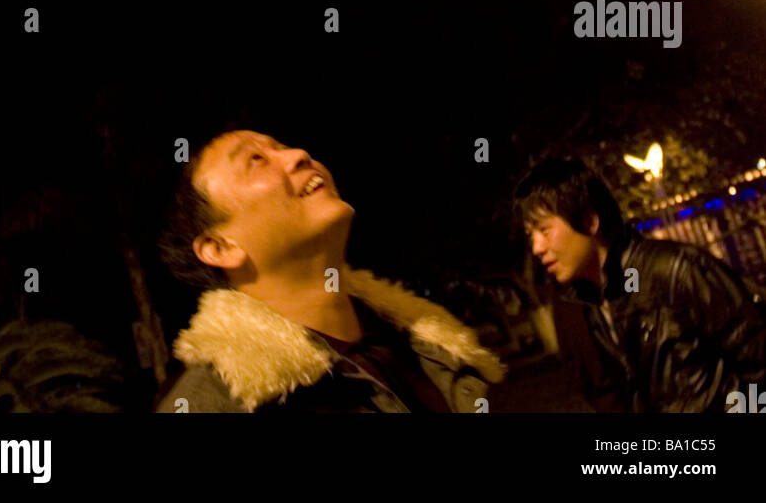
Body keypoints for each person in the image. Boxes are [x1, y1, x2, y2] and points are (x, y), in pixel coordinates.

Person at [153, 126, 504, 412]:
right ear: (220, 247)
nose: (298, 155)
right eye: (256, 159)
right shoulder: (214, 403)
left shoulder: (429, 344)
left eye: (283, 145)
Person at [513, 156, 766, 413]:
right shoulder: (587, 300)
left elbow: (757, 362)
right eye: (530, 236)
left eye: (544, 230)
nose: (537, 248)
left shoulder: (677, 270)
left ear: (589, 220)